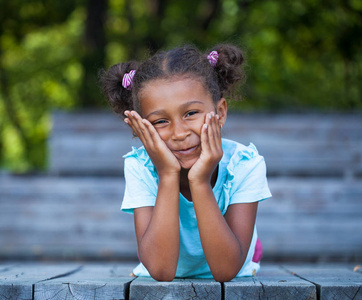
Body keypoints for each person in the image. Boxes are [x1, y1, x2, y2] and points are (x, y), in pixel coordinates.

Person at [100, 44, 271, 282]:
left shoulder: (244, 164)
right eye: (160, 121)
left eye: (191, 113)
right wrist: (168, 174)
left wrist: (199, 181)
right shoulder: (140, 167)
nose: (179, 133)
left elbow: (225, 271)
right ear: (141, 128)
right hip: (163, 264)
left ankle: (251, 244)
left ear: (220, 112)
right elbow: (160, 270)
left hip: (234, 263)